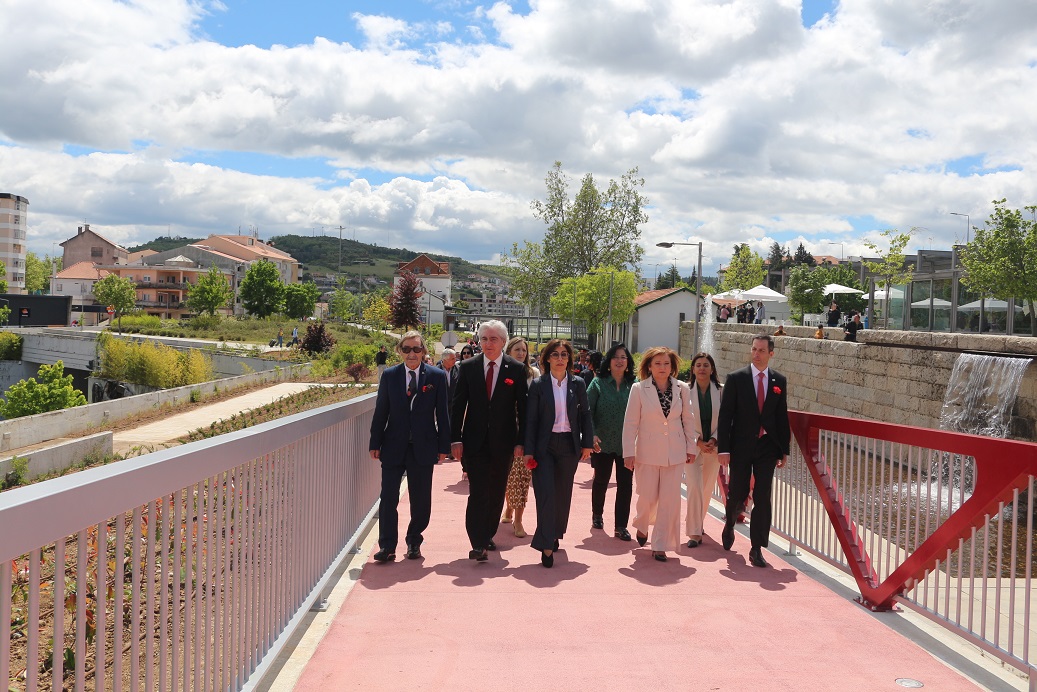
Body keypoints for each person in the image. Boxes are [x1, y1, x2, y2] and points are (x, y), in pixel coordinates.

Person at [368, 331, 451, 562]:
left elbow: (443, 414)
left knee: (421, 499)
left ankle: (414, 540)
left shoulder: (436, 376)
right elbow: (381, 410)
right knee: (388, 498)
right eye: (406, 349)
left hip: (424, 447)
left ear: (423, 351)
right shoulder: (390, 376)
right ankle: (387, 546)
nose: (411, 354)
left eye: (416, 349)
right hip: (393, 445)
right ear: (399, 351)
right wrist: (375, 442)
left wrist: (444, 445)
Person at [451, 320, 528, 562]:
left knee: (495, 493)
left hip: (503, 444)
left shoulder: (515, 369)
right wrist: (455, 439)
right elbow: (457, 405)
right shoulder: (468, 366)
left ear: (503, 342)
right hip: (473, 443)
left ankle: (487, 535)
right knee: (477, 492)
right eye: (484, 339)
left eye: (494, 339)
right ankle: (477, 541)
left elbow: (523, 410)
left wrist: (521, 442)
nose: (488, 343)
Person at [717, 334, 791, 568]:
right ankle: (730, 523)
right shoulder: (736, 378)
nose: (756, 354)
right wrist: (724, 449)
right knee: (737, 492)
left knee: (762, 497)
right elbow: (726, 415)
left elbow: (781, 417)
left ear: (771, 353)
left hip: (767, 447)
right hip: (741, 446)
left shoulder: (779, 381)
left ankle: (757, 548)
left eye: (761, 350)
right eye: (754, 349)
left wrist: (784, 450)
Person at [622, 346, 696, 562]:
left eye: (666, 364)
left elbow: (689, 420)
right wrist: (628, 453)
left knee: (669, 500)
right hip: (647, 451)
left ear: (673, 366)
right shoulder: (638, 389)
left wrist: (691, 448)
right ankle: (642, 522)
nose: (662, 368)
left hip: (675, 452)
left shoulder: (682, 388)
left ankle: (660, 544)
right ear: (649, 367)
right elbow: (630, 424)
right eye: (658, 364)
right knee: (646, 497)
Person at [525, 339, 594, 567]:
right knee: (545, 493)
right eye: (555, 354)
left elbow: (585, 415)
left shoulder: (579, 384)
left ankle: (554, 534)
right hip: (544, 447)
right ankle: (545, 545)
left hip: (569, 445)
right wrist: (528, 450)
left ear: (569, 359)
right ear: (547, 358)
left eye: (564, 354)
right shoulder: (538, 385)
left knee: (562, 494)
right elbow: (531, 420)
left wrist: (586, 444)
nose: (560, 358)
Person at [587, 343, 635, 540]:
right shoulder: (598, 384)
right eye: (615, 357)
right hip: (602, 442)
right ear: (609, 362)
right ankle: (597, 514)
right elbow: (587, 412)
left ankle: (621, 526)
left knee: (625, 485)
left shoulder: (635, 385)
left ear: (628, 362)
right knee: (601, 480)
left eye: (623, 357)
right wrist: (592, 434)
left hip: (627, 444)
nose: (619, 361)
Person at [502, 337, 541, 538]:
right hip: (503, 430)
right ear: (508, 351)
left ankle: (518, 519)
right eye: (517, 350)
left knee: (521, 477)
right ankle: (509, 507)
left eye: (524, 350)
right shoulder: (502, 371)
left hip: (526, 431)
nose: (521, 353)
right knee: (507, 476)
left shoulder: (533, 374)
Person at [684, 353, 722, 548]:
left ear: (712, 369)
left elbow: (727, 419)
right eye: (698, 365)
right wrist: (698, 441)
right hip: (692, 446)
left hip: (714, 447)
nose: (701, 368)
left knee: (706, 488)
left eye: (706, 365)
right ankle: (694, 532)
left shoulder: (721, 391)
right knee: (694, 487)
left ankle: (698, 523)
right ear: (692, 369)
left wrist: (715, 439)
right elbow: (680, 421)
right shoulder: (685, 391)